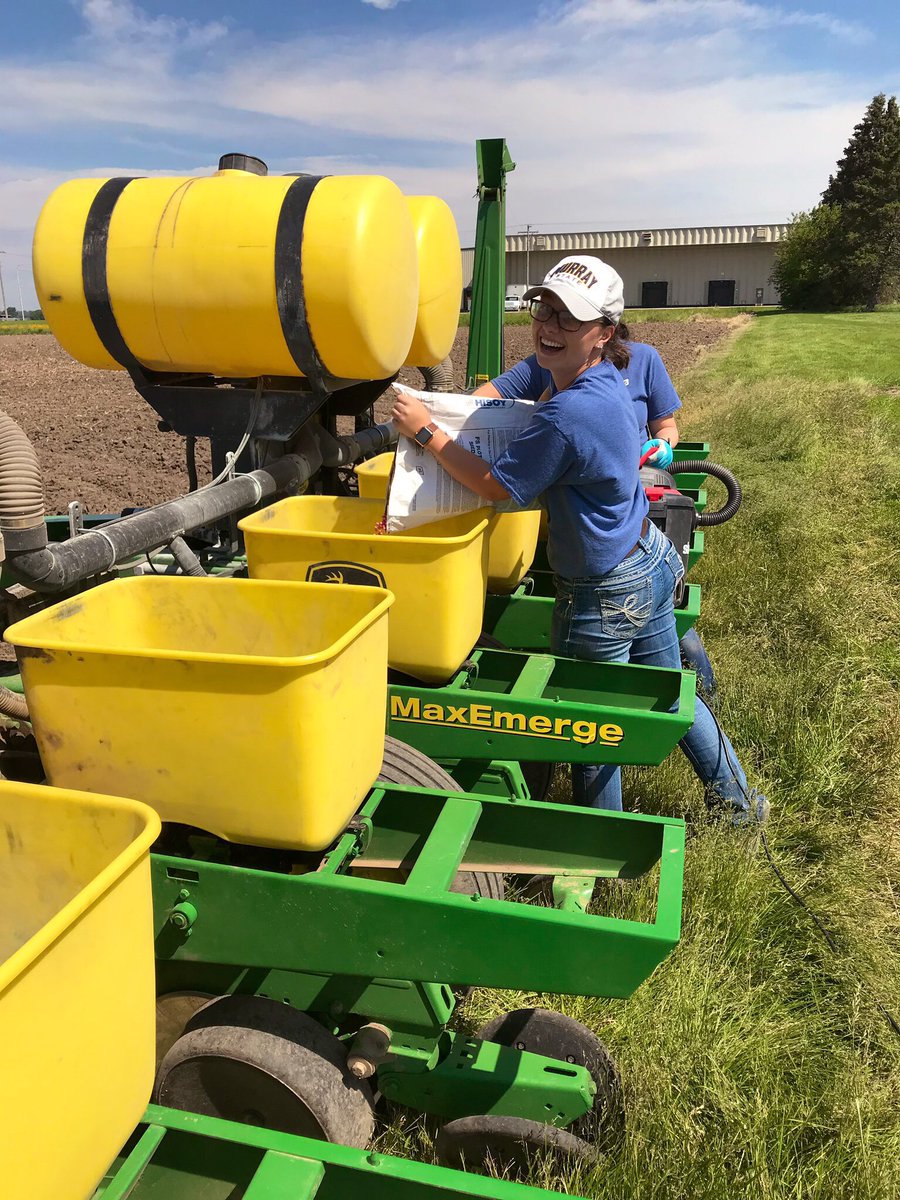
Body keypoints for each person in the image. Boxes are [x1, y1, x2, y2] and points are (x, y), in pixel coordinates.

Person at [391, 254, 767, 825]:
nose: (549, 326)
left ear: (603, 333)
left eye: (571, 318)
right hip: (644, 558)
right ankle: (742, 805)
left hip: (602, 593)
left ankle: (589, 867)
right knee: (667, 692)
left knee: (585, 731)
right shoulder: (603, 379)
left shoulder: (569, 410)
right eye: (546, 309)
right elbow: (510, 395)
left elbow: (496, 487)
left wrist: (423, 428)